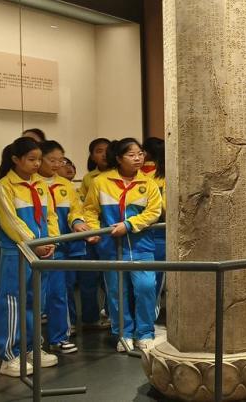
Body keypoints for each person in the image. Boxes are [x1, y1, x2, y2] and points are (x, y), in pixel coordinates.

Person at [83, 138, 163, 352]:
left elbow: (154, 212)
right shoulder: (100, 182)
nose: (138, 158)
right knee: (117, 293)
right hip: (111, 247)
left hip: (142, 246)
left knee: (146, 288)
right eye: (131, 154)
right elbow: (90, 209)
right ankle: (123, 333)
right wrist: (94, 230)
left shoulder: (148, 183)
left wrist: (129, 225)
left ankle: (145, 333)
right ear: (118, 158)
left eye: (140, 153)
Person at [0, 137, 60, 377]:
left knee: (36, 300)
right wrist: (33, 243)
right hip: (17, 252)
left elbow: (50, 215)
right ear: (15, 159)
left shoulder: (40, 184)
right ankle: (9, 355)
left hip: (41, 251)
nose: (37, 164)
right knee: (12, 302)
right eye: (31, 159)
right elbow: (11, 221)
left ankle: (31, 348)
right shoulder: (4, 186)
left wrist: (53, 240)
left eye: (39, 159)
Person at [39, 141, 89, 355]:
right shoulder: (32, 184)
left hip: (60, 247)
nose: (57, 164)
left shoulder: (66, 185)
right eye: (52, 160)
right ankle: (31, 344)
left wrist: (77, 221)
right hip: (37, 246)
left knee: (59, 292)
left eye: (61, 160)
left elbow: (75, 209)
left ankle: (59, 337)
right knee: (36, 296)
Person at [76, 138, 111, 330]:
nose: (104, 154)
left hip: (112, 233)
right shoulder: (89, 178)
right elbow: (85, 206)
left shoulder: (119, 174)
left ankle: (111, 314)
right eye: (99, 151)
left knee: (111, 278)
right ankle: (90, 318)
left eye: (107, 150)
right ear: (91, 156)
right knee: (88, 278)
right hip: (91, 233)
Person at [142, 137, 167, 315]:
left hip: (155, 228)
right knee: (155, 275)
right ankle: (150, 314)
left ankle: (149, 313)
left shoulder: (147, 176)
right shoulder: (151, 177)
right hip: (158, 229)